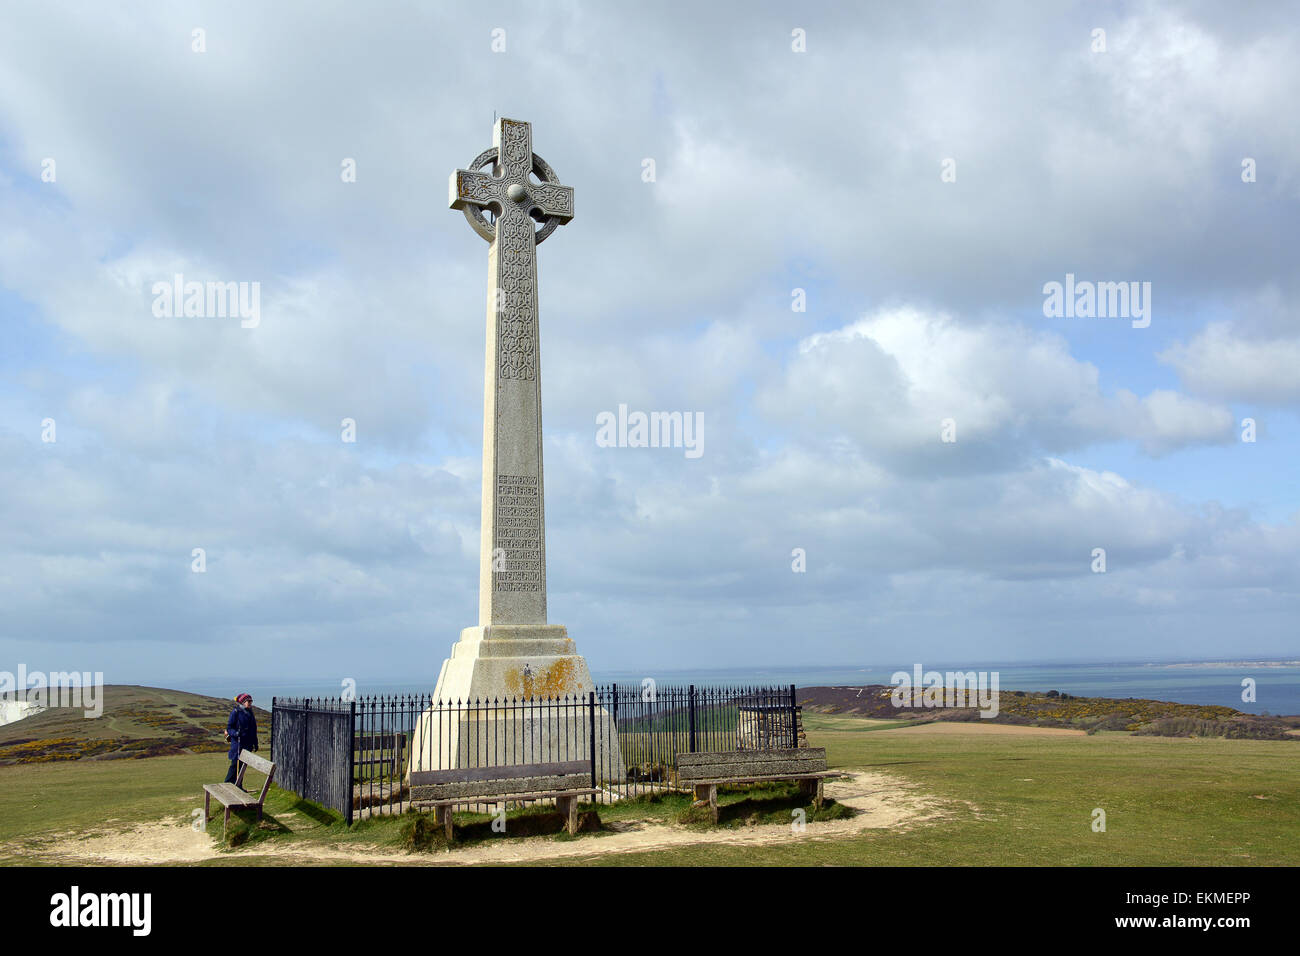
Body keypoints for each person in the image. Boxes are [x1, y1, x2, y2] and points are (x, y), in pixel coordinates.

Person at [223, 693, 259, 787]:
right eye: (248, 701)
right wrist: (235, 733)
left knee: (242, 766)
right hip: (238, 743)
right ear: (243, 702)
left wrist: (255, 743)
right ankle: (228, 784)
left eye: (251, 701)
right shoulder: (236, 712)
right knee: (235, 765)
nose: (250, 703)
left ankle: (239, 785)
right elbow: (229, 727)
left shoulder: (250, 712)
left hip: (247, 744)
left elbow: (253, 729)